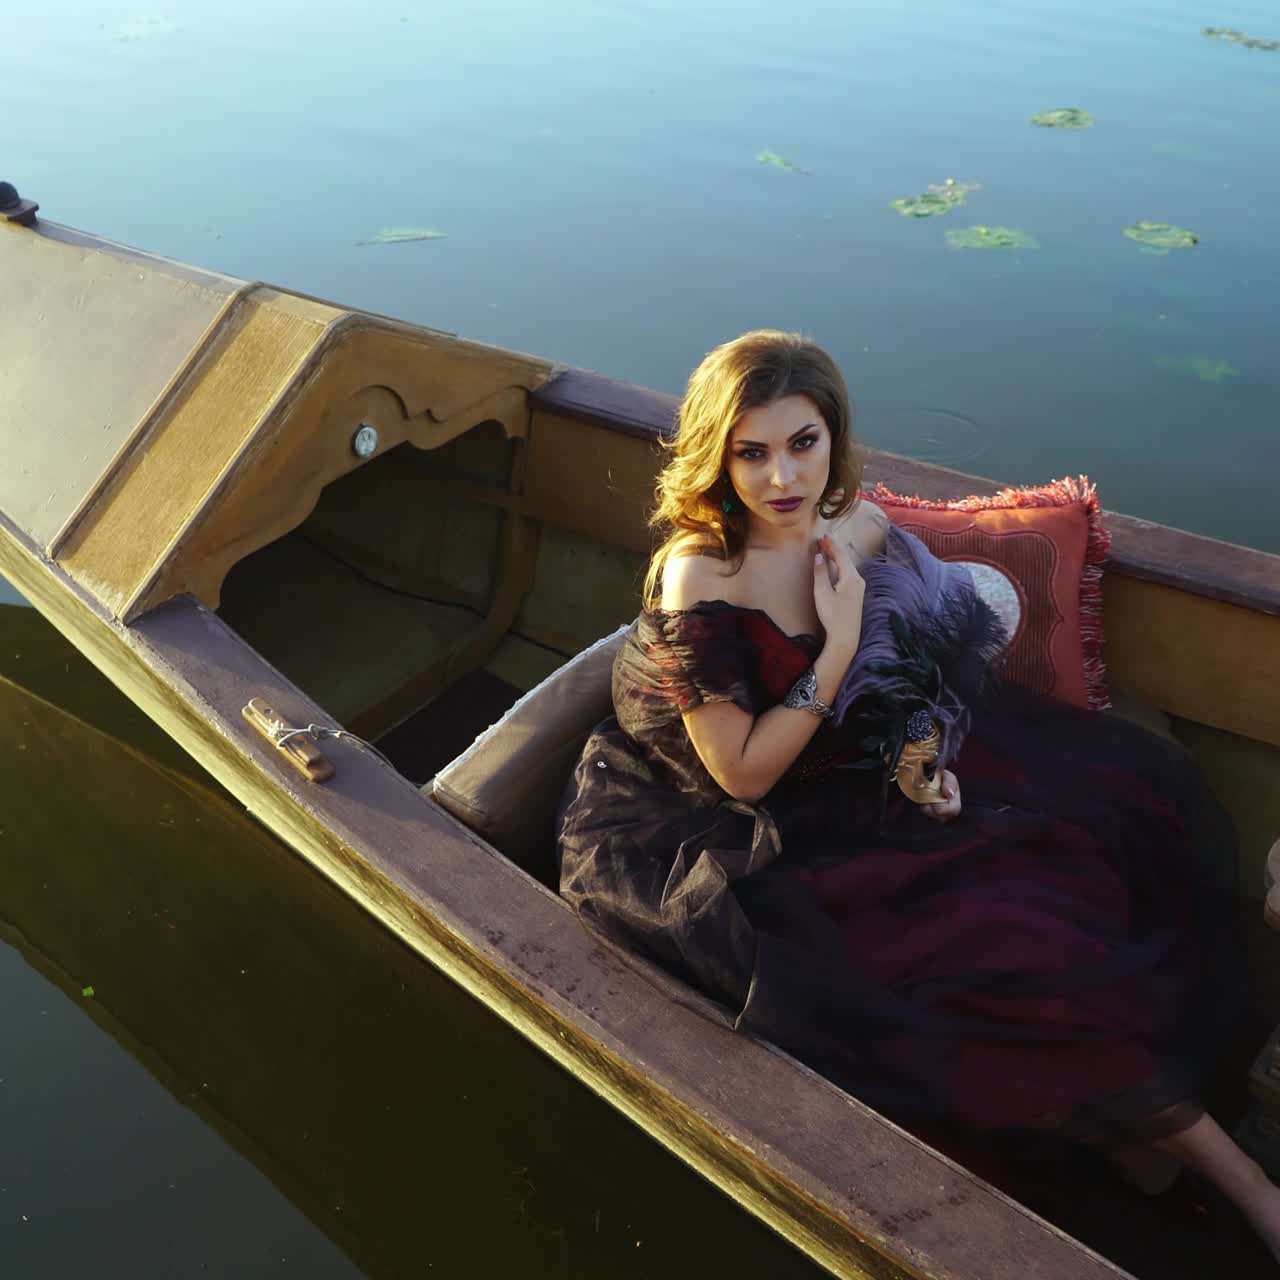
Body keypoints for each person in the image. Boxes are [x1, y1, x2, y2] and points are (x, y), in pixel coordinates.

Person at [556, 329, 1280, 1257]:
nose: (783, 478)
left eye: (803, 443)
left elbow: (893, 606)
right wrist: (842, 643)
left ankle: (1136, 1140)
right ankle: (1248, 1188)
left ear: (834, 437)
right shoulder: (701, 573)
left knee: (1090, 850)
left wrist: (915, 760)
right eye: (753, 452)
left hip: (845, 775)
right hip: (729, 825)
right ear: (717, 452)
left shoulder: (840, 523)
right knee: (994, 954)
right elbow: (743, 771)